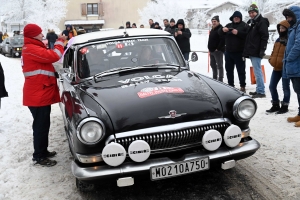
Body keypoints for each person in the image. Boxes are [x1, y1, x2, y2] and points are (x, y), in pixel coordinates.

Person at [22, 23, 66, 166]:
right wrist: (60, 41)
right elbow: (54, 56)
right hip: (37, 95)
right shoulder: (31, 49)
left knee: (44, 124)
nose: (42, 35)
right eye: (40, 33)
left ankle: (43, 151)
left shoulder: (33, 48)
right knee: (40, 126)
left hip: (39, 93)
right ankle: (39, 156)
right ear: (33, 34)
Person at [243, 3, 269, 98]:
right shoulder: (253, 22)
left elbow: (264, 36)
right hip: (252, 50)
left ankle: (261, 91)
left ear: (257, 12)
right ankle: (258, 89)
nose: (251, 14)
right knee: (256, 70)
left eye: (253, 12)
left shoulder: (261, 22)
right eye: (250, 13)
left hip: (257, 51)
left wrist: (262, 49)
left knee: (258, 71)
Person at [219, 11, 248, 91]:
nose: (236, 18)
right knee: (229, 70)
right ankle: (230, 85)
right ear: (232, 18)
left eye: (238, 17)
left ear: (240, 18)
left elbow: (247, 36)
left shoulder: (244, 25)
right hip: (228, 52)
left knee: (241, 70)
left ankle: (242, 86)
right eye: (235, 17)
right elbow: (219, 33)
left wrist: (238, 33)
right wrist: (222, 30)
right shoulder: (229, 25)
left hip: (240, 52)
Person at [267, 20, 291, 114]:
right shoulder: (277, 40)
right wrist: (271, 59)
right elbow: (273, 52)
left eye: (283, 28)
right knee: (272, 86)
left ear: (287, 29)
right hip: (276, 68)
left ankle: (285, 106)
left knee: (285, 87)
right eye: (280, 28)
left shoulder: (290, 39)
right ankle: (275, 104)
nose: (281, 30)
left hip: (285, 68)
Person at [282, 6, 300, 127]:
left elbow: (299, 44)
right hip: (294, 65)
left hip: (297, 64)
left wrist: (289, 58)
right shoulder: (294, 28)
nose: (288, 19)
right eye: (286, 17)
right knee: (298, 90)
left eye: (289, 16)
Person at [208, 15, 225, 82]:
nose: (213, 22)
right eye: (212, 21)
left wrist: (218, 48)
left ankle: (220, 80)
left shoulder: (221, 29)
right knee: (212, 65)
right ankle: (214, 78)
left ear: (218, 22)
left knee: (219, 65)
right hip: (211, 51)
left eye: (215, 21)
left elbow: (223, 40)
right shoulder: (213, 29)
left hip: (218, 51)